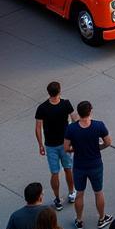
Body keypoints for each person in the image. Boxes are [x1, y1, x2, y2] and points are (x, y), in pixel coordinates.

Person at [63, 100, 112, 229]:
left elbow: (66, 147)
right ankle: (102, 218)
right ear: (90, 111)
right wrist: (98, 147)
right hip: (95, 164)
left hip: (79, 166)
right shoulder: (98, 125)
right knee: (98, 192)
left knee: (79, 193)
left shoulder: (71, 128)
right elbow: (108, 142)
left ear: (78, 113)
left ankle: (79, 220)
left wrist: (76, 149)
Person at [34, 81, 76, 212]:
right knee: (68, 168)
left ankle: (57, 199)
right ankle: (71, 193)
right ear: (59, 91)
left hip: (50, 145)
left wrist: (40, 145)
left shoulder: (42, 108)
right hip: (65, 143)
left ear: (48, 92)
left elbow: (38, 128)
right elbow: (75, 120)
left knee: (54, 172)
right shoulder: (66, 104)